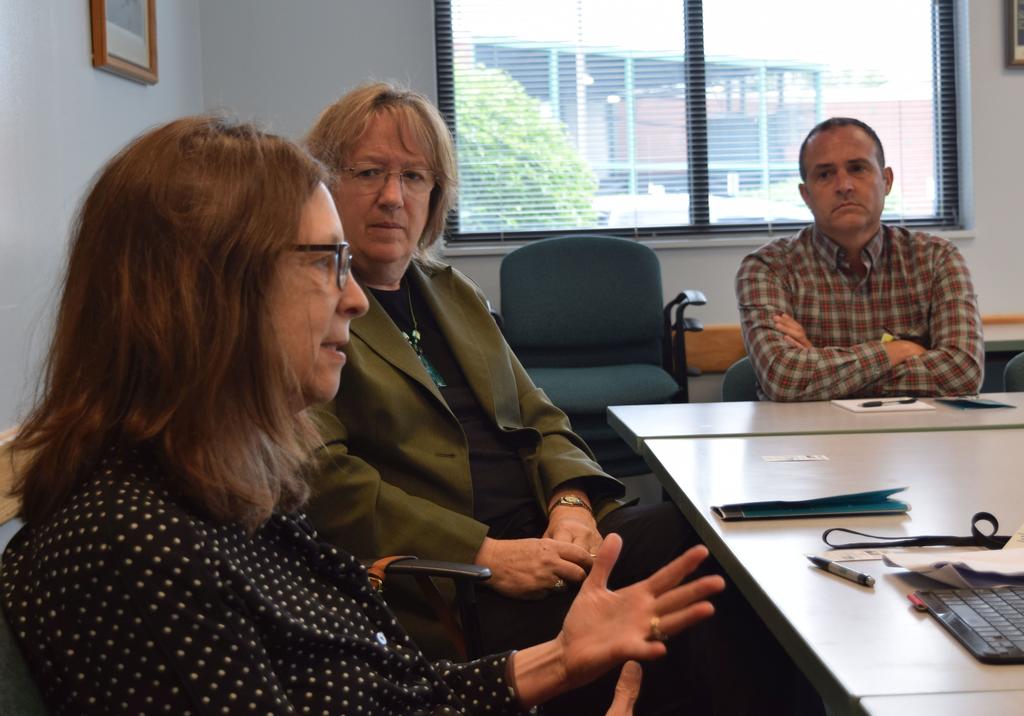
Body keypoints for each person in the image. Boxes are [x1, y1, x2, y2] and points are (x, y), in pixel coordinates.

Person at [0, 115, 725, 715]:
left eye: (414, 177)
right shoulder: (137, 547)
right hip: (466, 577)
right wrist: (499, 571)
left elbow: (390, 694)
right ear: (205, 292)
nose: (351, 299)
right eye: (325, 263)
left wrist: (559, 659)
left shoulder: (233, 493)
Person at [303, 82, 815, 715]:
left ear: (435, 193)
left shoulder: (452, 292)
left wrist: (571, 504)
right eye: (369, 172)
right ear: (326, 183)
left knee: (724, 553)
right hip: (460, 582)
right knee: (700, 614)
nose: (392, 195)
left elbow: (540, 417)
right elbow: (326, 481)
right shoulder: (311, 308)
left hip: (555, 539)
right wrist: (485, 554)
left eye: (413, 176)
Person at [735, 117, 983, 402]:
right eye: (825, 175)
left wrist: (819, 367)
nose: (844, 185)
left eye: (857, 168)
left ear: (886, 181)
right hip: (809, 429)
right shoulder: (768, 268)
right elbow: (784, 378)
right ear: (806, 195)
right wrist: (897, 350)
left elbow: (963, 373)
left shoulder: (936, 258)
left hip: (914, 429)